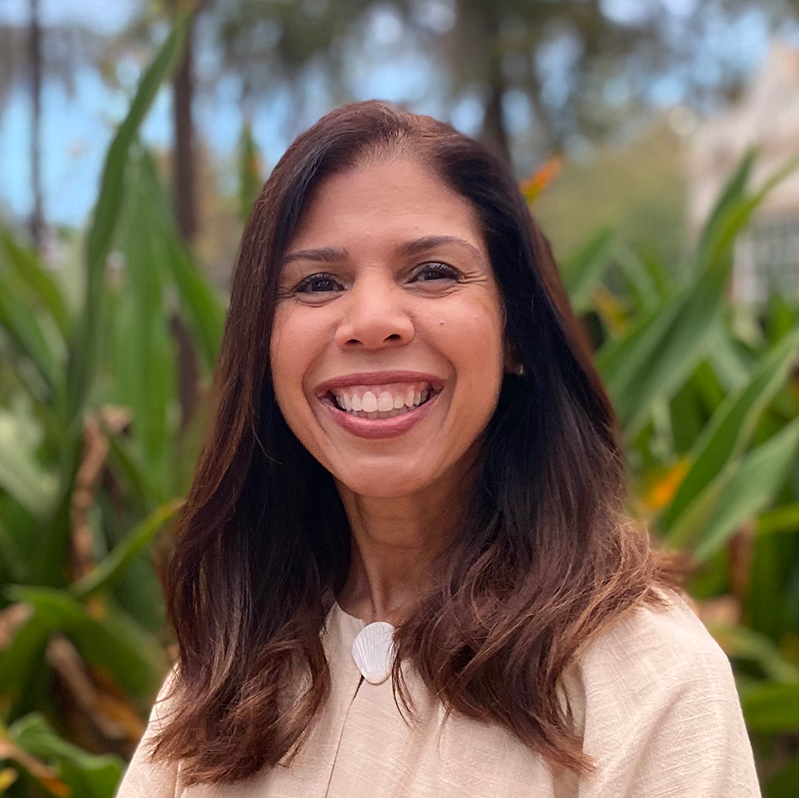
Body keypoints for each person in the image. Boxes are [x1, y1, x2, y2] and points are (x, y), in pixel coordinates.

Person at [115, 100, 761, 798]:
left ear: (515, 331)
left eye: (431, 272)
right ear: (264, 347)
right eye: (317, 283)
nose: (371, 322)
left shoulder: (645, 677)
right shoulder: (227, 668)